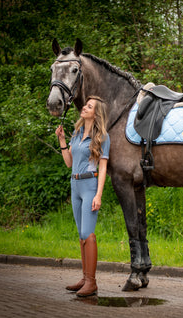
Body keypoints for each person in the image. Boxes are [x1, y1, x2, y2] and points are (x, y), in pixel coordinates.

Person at [55, 96, 110, 297]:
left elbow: (103, 168)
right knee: (81, 234)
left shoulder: (103, 136)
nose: (84, 107)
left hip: (89, 185)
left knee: (88, 232)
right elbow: (69, 162)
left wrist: (99, 194)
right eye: (86, 105)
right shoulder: (77, 133)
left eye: (89, 106)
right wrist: (62, 140)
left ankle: (92, 282)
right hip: (75, 184)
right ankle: (85, 278)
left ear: (96, 113)